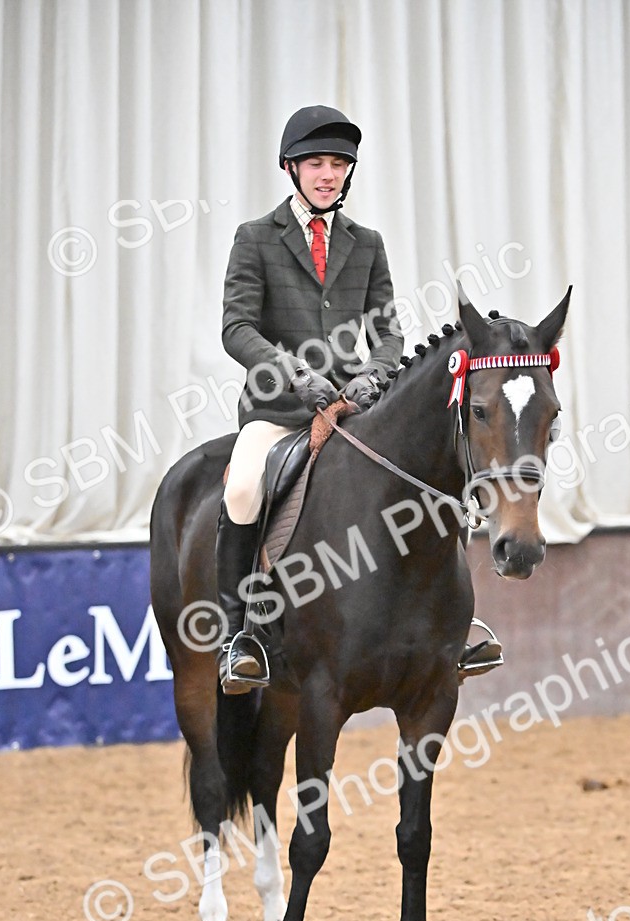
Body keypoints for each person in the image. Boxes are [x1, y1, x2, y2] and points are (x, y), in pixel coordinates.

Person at [216, 104, 403, 694]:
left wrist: (373, 375)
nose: (329, 174)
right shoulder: (255, 238)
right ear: (292, 169)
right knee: (244, 488)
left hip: (355, 411)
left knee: (427, 468)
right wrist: (295, 373)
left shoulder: (366, 243)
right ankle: (237, 633)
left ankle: (451, 621)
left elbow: (390, 331)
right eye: (317, 163)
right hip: (280, 410)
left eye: (339, 164)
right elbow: (237, 328)